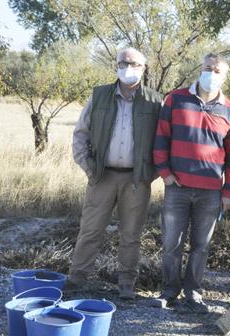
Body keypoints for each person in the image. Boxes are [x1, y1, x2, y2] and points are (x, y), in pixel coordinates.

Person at [69, 48, 163, 299]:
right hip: (101, 176)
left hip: (137, 180)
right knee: (90, 230)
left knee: (131, 235)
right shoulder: (99, 96)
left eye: (133, 63)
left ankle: (126, 285)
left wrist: (149, 175)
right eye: (122, 62)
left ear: (144, 69)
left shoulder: (155, 101)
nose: (127, 67)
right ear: (116, 66)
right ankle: (77, 280)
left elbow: (163, 141)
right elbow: (80, 134)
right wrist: (88, 168)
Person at [153, 53, 230, 312]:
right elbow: (160, 139)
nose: (211, 74)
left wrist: (229, 190)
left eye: (217, 70)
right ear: (200, 68)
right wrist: (165, 174)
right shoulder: (176, 99)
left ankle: (193, 292)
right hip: (177, 188)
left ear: (224, 76)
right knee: (171, 243)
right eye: (207, 68)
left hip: (211, 192)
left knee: (201, 246)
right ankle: (169, 290)